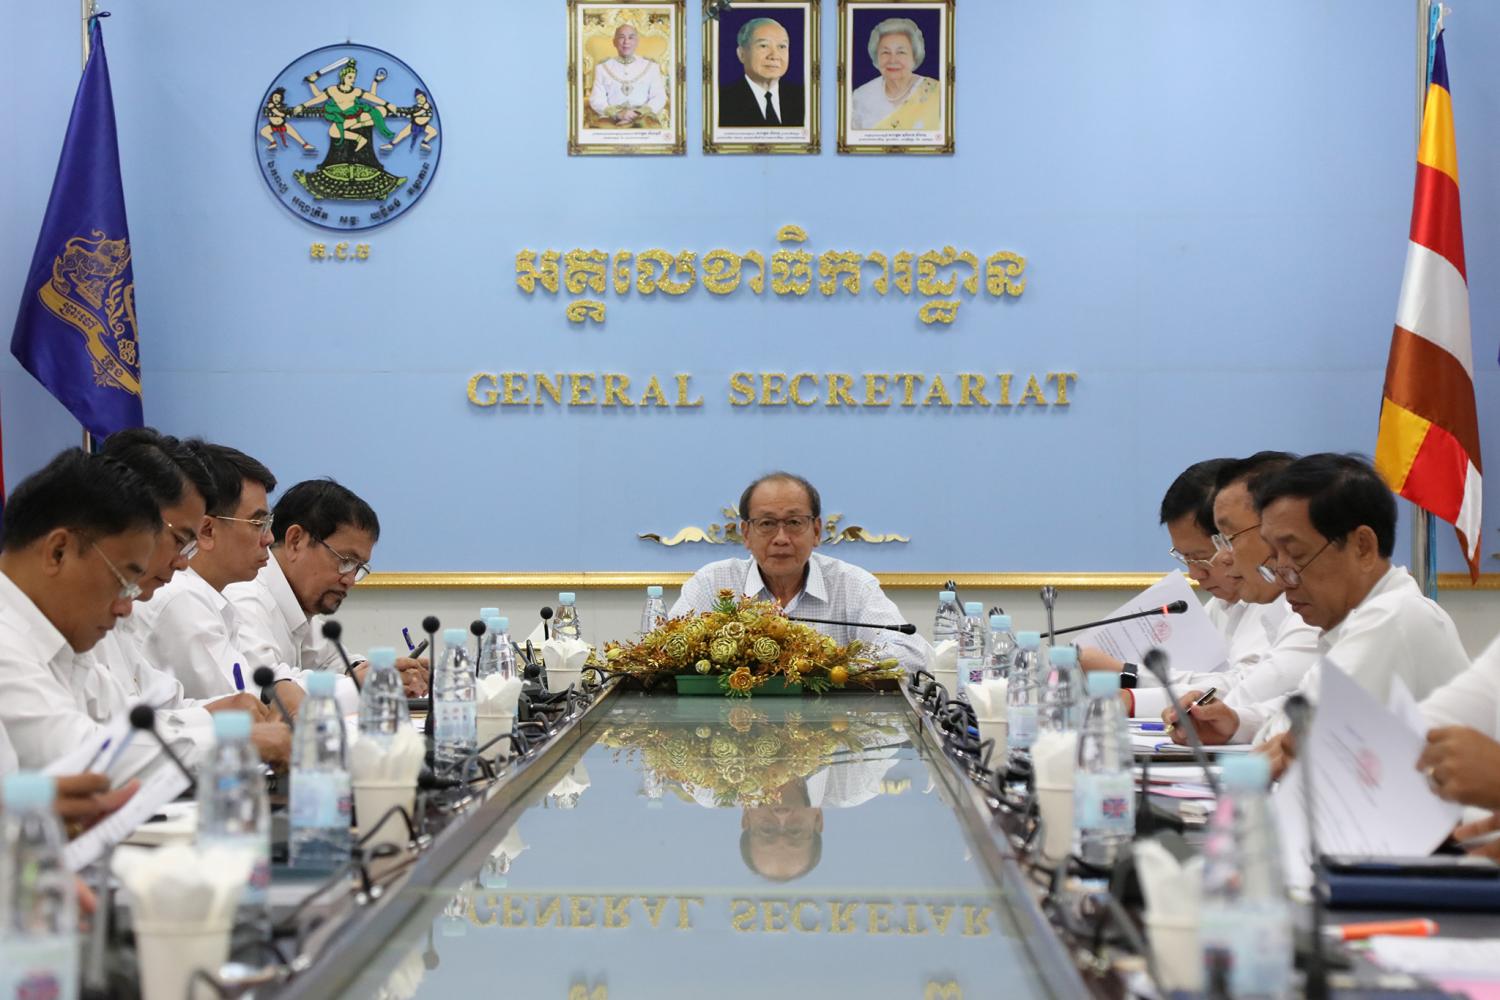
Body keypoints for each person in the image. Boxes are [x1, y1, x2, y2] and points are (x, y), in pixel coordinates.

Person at [1177, 454, 1469, 773]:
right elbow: (1292, 717)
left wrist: (1265, 732)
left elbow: (1291, 738)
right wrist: (1236, 723)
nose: (1281, 576)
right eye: (1273, 555)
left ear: (1362, 547)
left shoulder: (1394, 617)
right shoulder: (1353, 620)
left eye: (1296, 554)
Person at [0, 449, 196, 779]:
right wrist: (232, 741)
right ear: (58, 552)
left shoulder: (65, 641)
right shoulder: (7, 643)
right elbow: (85, 756)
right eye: (123, 582)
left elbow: (130, 728)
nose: (126, 607)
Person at [96, 429, 288, 765]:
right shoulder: (174, 596)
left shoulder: (116, 609)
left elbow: (159, 710)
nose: (184, 561)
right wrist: (229, 735)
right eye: (182, 539)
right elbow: (103, 750)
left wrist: (214, 716)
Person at [670, 472, 930, 669]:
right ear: (746, 534)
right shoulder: (713, 583)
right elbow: (665, 650)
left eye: (794, 522)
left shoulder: (852, 585)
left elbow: (910, 653)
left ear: (816, 531)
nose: (781, 538)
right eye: (767, 524)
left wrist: (828, 669)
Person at [136, 442, 310, 713]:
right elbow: (248, 707)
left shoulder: (211, 595)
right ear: (206, 530)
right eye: (258, 524)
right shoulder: (181, 597)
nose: (268, 538)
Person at [1161, 453, 1321, 740]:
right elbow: (1304, 707)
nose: (1224, 557)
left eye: (1229, 539)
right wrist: (1235, 722)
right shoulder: (1287, 604)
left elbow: (1251, 690)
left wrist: (1230, 719)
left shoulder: (1382, 616)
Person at [1078, 459, 1255, 715]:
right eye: (1185, 558)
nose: (1194, 574)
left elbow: (1245, 690)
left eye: (1201, 558)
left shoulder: (1284, 602)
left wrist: (1130, 678)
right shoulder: (1221, 602)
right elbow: (1204, 676)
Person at [225, 478, 426, 695]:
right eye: (346, 560)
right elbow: (267, 688)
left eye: (358, 567)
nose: (350, 580)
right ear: (295, 541)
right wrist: (359, 683)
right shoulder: (247, 601)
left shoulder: (298, 604)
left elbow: (332, 661)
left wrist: (388, 673)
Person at [849, 17, 941, 130]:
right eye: (885, 52)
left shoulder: (937, 93)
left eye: (901, 52)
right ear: (876, 57)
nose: (892, 60)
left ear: (914, 56)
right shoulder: (861, 97)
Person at [718, 17, 804, 128]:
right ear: (742, 54)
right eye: (763, 46)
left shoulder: (804, 97)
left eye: (782, 46)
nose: (774, 56)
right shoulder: (720, 102)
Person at [588, 23, 668, 127]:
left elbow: (659, 97)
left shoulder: (651, 66)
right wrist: (617, 114)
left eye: (631, 37)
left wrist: (637, 114)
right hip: (611, 118)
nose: (626, 42)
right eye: (621, 37)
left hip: (643, 118)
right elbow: (596, 99)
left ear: (637, 42)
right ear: (614, 42)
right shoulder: (602, 67)